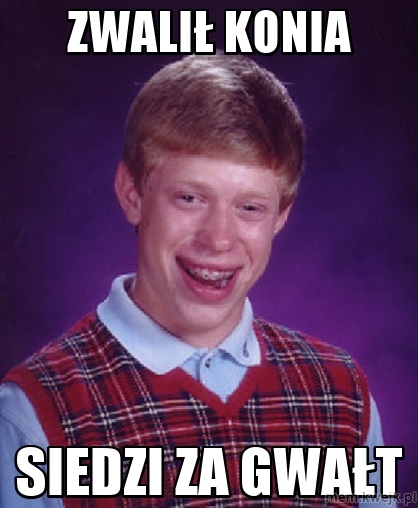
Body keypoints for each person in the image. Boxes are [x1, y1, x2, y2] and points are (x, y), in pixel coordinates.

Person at [0, 55, 390, 507]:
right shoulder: (35, 415)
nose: (218, 238)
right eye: (189, 198)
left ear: (281, 216)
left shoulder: (342, 396)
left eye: (249, 207)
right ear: (132, 194)